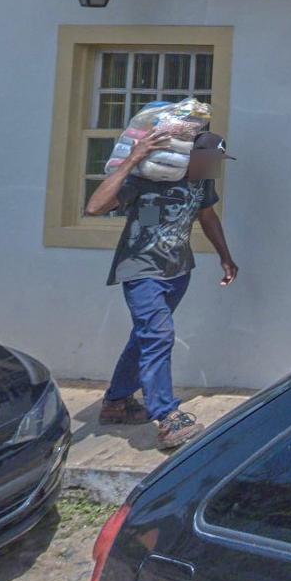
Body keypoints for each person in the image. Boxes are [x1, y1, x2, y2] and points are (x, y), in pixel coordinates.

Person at [88, 111, 238, 449]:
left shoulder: (202, 182)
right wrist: (133, 158)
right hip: (142, 271)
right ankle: (167, 417)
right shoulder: (149, 177)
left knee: (145, 337)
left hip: (178, 271)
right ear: (190, 156)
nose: (214, 166)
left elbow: (207, 215)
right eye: (210, 160)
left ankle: (116, 402)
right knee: (158, 335)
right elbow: (95, 207)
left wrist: (225, 256)